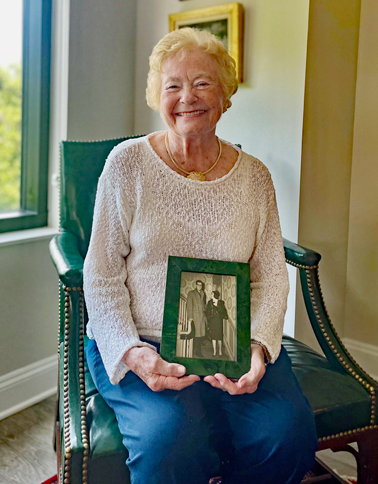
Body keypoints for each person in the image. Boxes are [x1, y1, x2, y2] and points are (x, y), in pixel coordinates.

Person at [83, 27, 317, 484]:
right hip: (142, 341)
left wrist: (258, 348)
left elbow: (270, 275)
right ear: (158, 96)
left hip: (233, 344)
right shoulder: (126, 164)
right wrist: (131, 352)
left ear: (225, 94)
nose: (187, 96)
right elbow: (102, 271)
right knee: (169, 440)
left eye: (203, 82)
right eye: (173, 85)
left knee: (287, 434)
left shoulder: (254, 178)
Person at [186, 279, 208, 356]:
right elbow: (189, 306)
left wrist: (205, 314)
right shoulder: (191, 293)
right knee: (196, 335)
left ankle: (198, 349)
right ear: (196, 285)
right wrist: (190, 317)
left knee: (202, 334)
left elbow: (203, 305)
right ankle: (198, 351)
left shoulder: (203, 293)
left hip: (202, 317)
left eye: (200, 285)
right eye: (198, 284)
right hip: (195, 317)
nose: (199, 286)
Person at [204, 290, 228, 357]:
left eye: (212, 294)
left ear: (215, 295)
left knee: (219, 337)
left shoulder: (221, 303)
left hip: (219, 321)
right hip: (212, 321)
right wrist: (209, 316)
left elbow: (223, 312)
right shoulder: (209, 302)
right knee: (213, 337)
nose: (211, 295)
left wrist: (216, 306)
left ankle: (220, 352)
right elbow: (206, 311)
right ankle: (214, 351)